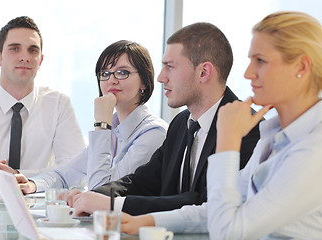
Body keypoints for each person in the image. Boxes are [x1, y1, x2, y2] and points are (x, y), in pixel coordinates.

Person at [121, 11, 322, 239]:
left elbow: (229, 231)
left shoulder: (314, 149)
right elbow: (217, 209)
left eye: (261, 61)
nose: (248, 74)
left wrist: (227, 139)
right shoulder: (274, 136)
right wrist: (146, 221)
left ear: (301, 67)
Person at [62, 22, 262, 217]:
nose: (160, 77)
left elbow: (206, 203)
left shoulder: (247, 127)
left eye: (170, 67)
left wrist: (114, 204)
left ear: (204, 72)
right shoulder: (182, 123)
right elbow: (145, 180)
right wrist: (94, 195)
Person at [15, 40, 168, 193]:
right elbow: (65, 174)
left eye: (122, 72)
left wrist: (102, 125)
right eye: (105, 73)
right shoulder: (114, 129)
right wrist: (32, 185)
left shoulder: (153, 133)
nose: (111, 80)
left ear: (144, 82)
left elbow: (102, 192)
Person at [0, 16, 85, 177]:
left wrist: (16, 176)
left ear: (40, 60)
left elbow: (77, 172)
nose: (25, 57)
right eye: (14, 48)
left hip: (36, 200)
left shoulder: (58, 104)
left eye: (32, 50)